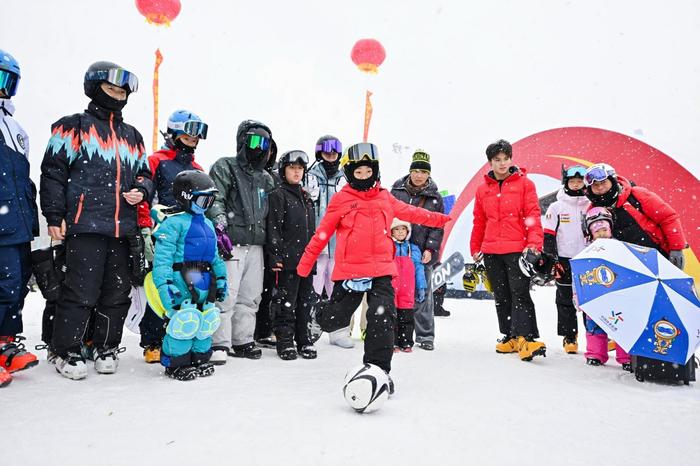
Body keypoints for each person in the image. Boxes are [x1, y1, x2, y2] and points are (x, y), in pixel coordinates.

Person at [297, 142, 451, 386]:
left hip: (381, 269)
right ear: (350, 174)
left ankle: (378, 371)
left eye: (368, 172)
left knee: (383, 319)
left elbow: (412, 213)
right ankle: (319, 315)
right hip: (350, 270)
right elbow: (322, 235)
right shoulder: (341, 199)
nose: (364, 177)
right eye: (358, 173)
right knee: (336, 318)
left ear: (375, 171)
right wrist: (303, 267)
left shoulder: (384, 198)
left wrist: (441, 219)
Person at [40, 61, 153, 379]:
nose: (118, 95)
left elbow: (145, 174)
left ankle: (105, 346)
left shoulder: (133, 136)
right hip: (85, 226)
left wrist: (142, 190)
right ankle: (65, 350)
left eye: (122, 91)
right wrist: (54, 215)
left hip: (123, 228)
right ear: (94, 88)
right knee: (80, 292)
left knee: (116, 293)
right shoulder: (73, 126)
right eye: (111, 88)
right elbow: (53, 173)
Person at [138, 110, 208, 364]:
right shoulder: (157, 161)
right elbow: (145, 194)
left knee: (187, 287)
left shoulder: (197, 168)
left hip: (189, 237)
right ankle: (153, 340)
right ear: (175, 131)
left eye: (199, 132)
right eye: (189, 131)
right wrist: (145, 227)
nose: (195, 137)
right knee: (162, 285)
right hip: (164, 232)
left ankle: (180, 336)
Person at [470, 139, 546, 361]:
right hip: (492, 250)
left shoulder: (525, 184)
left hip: (517, 250)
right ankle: (509, 336)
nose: (502, 164)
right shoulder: (483, 189)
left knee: (520, 293)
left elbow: (533, 216)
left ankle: (526, 338)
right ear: (490, 162)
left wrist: (534, 245)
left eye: (506, 159)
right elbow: (479, 221)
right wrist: (475, 247)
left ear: (511, 159)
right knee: (501, 295)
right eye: (497, 160)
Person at [207, 120, 276, 363]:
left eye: (265, 142)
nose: (259, 147)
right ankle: (219, 342)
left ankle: (243, 338)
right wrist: (220, 222)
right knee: (226, 294)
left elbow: (273, 212)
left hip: (256, 244)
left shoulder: (266, 178)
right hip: (231, 242)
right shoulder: (226, 166)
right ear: (243, 142)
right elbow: (215, 197)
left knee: (250, 295)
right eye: (254, 140)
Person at [151, 171, 228, 380]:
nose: (207, 205)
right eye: (203, 200)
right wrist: (165, 284)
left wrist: (221, 279)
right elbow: (163, 259)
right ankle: (176, 362)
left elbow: (215, 257)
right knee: (184, 322)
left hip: (204, 281)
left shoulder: (208, 224)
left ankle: (200, 358)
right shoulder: (173, 224)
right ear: (186, 197)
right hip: (181, 280)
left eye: (210, 201)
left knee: (204, 321)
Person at [0, 49, 40, 388]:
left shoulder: (15, 128)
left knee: (14, 284)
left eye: (6, 81)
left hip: (16, 223)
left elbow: (22, 177)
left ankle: (6, 343)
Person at [266, 150, 318, 360]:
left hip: (306, 258)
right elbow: (274, 227)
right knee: (287, 302)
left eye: (299, 169)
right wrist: (276, 255)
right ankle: (285, 341)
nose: (296, 173)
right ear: (283, 170)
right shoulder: (278, 195)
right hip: (288, 260)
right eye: (292, 168)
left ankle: (303, 339)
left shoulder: (306, 197)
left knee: (306, 301)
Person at [583, 163, 687, 268]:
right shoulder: (593, 212)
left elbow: (668, 218)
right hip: (627, 267)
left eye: (603, 182)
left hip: (660, 256)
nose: (600, 187)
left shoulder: (636, 195)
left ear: (612, 180)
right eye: (595, 185)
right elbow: (593, 242)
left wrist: (676, 249)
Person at [391, 149, 445, 350]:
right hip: (397, 251)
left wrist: (430, 248)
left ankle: (425, 336)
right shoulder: (396, 192)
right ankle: (396, 334)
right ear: (410, 171)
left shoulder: (435, 198)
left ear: (428, 174)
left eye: (423, 171)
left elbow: (437, 226)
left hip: (421, 252)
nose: (419, 175)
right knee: (395, 293)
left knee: (423, 294)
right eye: (416, 171)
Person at [305, 135, 355, 348]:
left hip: (339, 244)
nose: (331, 156)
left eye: (334, 152)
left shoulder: (345, 179)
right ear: (319, 153)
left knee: (338, 289)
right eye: (326, 152)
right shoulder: (310, 176)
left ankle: (338, 330)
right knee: (313, 288)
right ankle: (309, 326)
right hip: (317, 242)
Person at [542, 165, 590, 354]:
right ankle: (569, 336)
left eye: (580, 182)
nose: (577, 185)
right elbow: (549, 235)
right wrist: (552, 260)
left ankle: (596, 335)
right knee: (565, 299)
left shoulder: (590, 204)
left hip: (588, 260)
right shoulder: (556, 206)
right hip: (564, 259)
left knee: (590, 299)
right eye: (573, 182)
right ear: (566, 183)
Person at [578, 207, 631, 369]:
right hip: (595, 296)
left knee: (623, 326)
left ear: (610, 229)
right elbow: (579, 276)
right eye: (596, 230)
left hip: (618, 296)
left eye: (604, 229)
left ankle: (627, 357)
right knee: (595, 326)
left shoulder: (621, 248)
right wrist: (578, 296)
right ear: (589, 232)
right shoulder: (586, 252)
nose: (601, 233)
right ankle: (596, 354)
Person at [389, 219, 426, 352]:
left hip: (407, 288)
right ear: (392, 231)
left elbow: (419, 268)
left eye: (403, 229)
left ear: (408, 231)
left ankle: (406, 342)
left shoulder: (412, 249)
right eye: (397, 229)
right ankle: (392, 342)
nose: (400, 232)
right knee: (391, 315)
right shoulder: (388, 246)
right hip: (391, 287)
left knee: (406, 315)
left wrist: (421, 286)